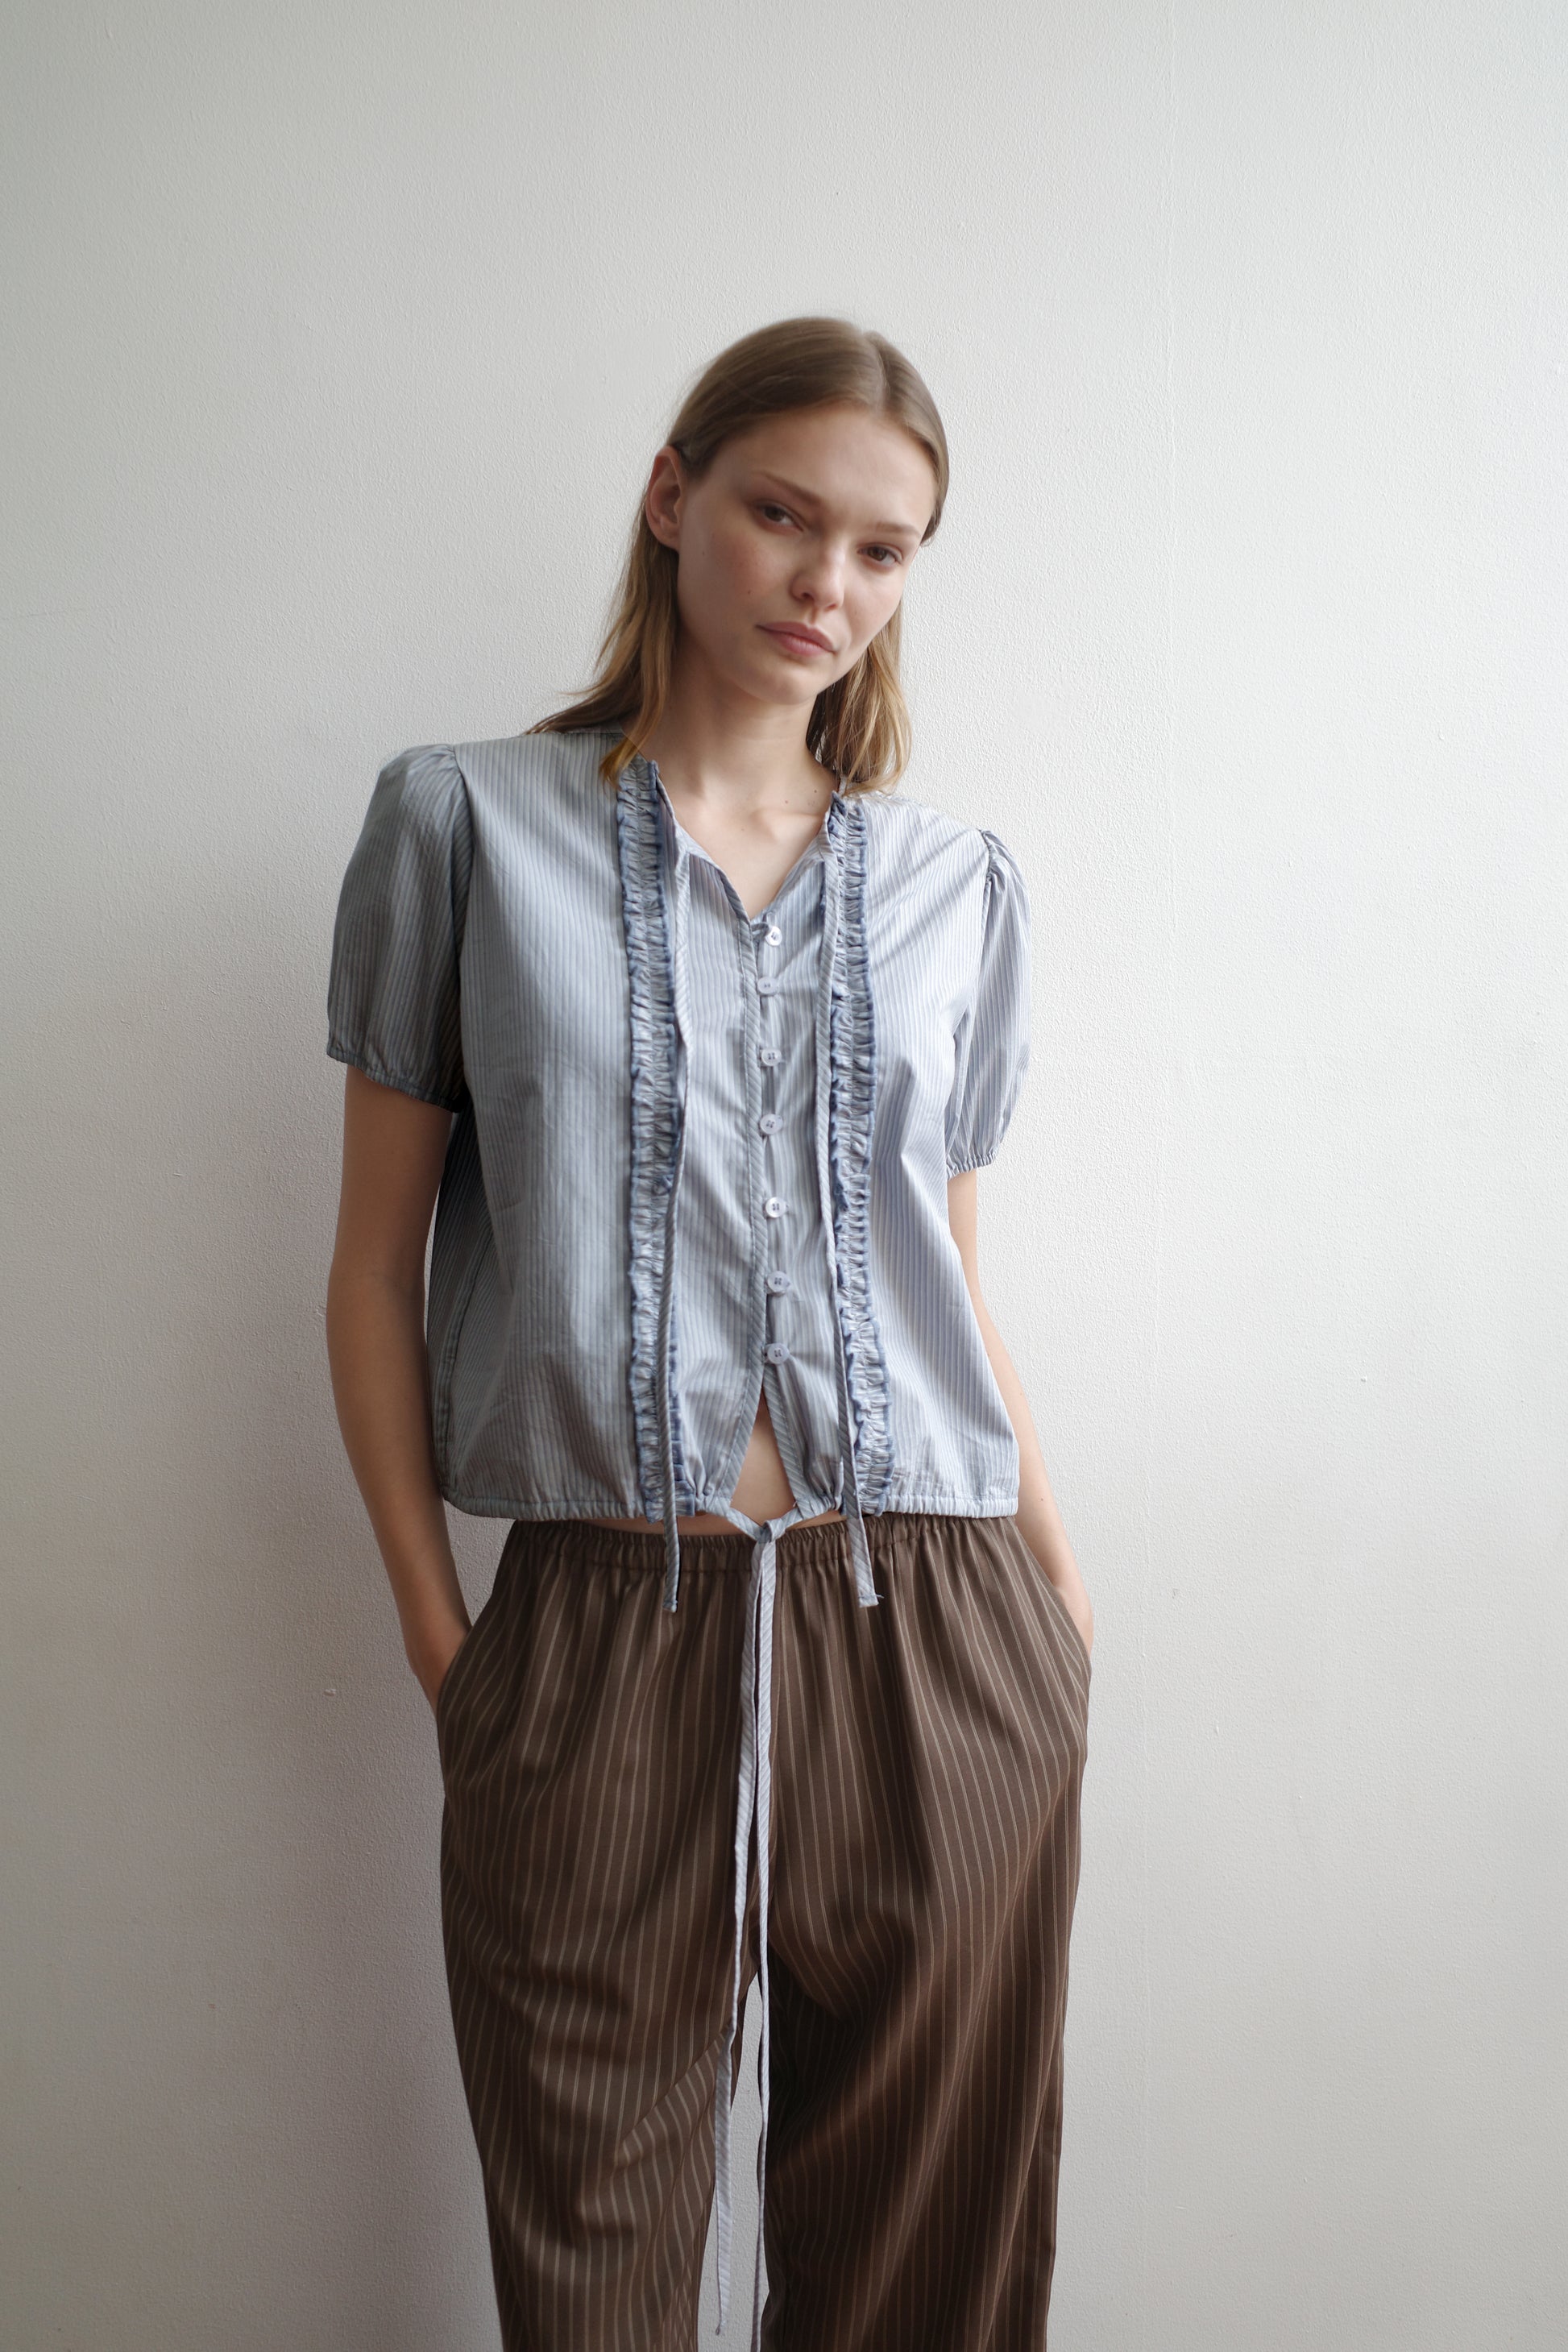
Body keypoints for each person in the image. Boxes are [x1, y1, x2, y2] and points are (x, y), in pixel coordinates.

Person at [323, 314, 1093, 2352]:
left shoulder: (956, 887)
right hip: (598, 1623)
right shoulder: (460, 828)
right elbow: (368, 1270)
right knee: (592, 2249)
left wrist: (1056, 1613)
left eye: (884, 548)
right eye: (781, 514)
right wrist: (444, 1641)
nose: (825, 584)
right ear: (673, 498)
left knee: (919, 2269)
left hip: (934, 1616)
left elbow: (956, 1281)